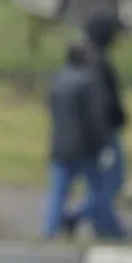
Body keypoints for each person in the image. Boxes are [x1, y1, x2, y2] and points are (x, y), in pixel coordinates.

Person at [42, 42, 124, 239]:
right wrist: (104, 145)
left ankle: (49, 232)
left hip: (59, 148)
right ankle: (112, 230)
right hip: (85, 149)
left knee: (58, 193)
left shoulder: (58, 80)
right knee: (99, 191)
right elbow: (96, 118)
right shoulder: (88, 83)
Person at [82, 10, 129, 211]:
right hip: (105, 132)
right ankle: (80, 215)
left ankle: (98, 219)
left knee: (104, 181)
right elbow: (101, 101)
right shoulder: (98, 65)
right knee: (111, 180)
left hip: (103, 130)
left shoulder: (95, 61)